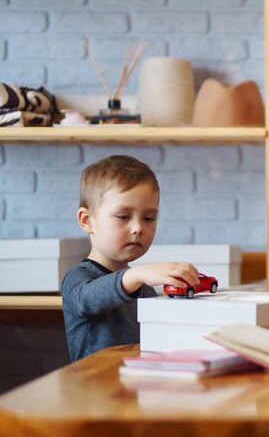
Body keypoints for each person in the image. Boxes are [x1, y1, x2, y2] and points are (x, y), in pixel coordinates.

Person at [62, 155, 201, 361]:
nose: (137, 228)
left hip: (139, 384)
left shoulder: (143, 287)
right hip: (95, 389)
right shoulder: (78, 278)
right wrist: (137, 274)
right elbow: (86, 300)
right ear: (87, 220)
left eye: (149, 218)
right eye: (123, 216)